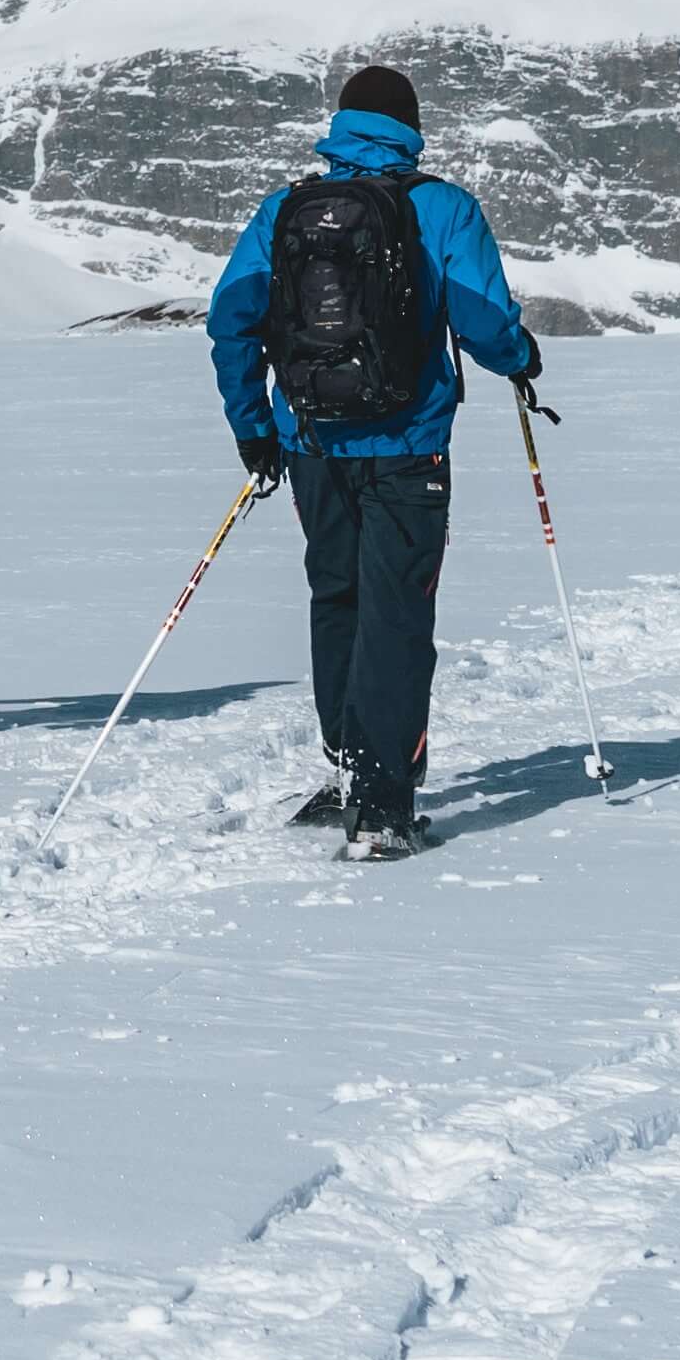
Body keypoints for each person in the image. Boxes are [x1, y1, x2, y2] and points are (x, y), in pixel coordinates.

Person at [204, 63, 542, 853]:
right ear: (410, 126)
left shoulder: (286, 208)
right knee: (397, 609)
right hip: (408, 444)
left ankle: (348, 764)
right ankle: (382, 803)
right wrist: (522, 357)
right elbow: (484, 319)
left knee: (337, 594)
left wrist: (253, 427)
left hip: (309, 439)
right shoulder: (441, 206)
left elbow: (230, 320)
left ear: (342, 125)